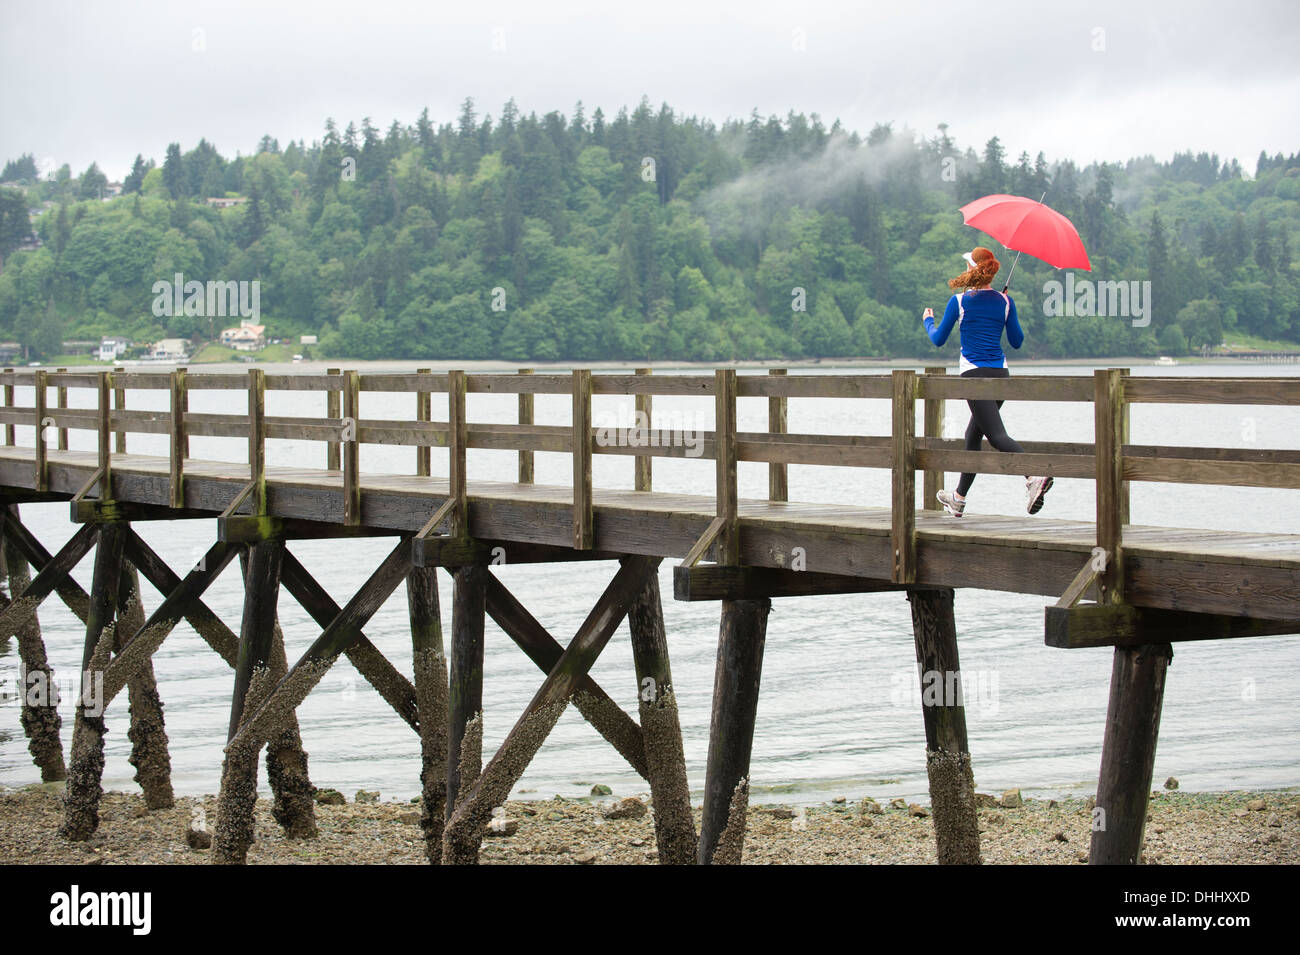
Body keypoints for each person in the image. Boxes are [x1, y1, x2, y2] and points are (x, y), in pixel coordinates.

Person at [921, 246, 1052, 517]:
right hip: (1000, 376)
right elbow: (1016, 342)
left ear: (972, 269)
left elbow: (938, 339)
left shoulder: (959, 301)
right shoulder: (1005, 302)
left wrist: (928, 321)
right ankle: (958, 498)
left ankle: (1033, 475)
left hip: (974, 376)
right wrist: (1003, 308)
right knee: (973, 435)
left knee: (996, 436)